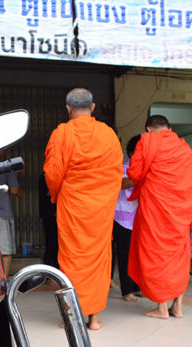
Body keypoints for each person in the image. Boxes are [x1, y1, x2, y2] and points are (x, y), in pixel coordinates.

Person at [44, 88, 123, 330]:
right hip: (99, 208)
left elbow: (52, 172)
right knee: (98, 258)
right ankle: (95, 319)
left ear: (68, 109)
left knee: (72, 259)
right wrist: (106, 199)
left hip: (73, 206)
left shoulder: (62, 133)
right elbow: (116, 173)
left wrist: (57, 194)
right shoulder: (108, 134)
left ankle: (71, 318)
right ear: (93, 107)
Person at [127, 115, 192, 319]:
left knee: (156, 253)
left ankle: (162, 308)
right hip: (180, 212)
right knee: (178, 257)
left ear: (148, 129)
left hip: (156, 210)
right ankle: (178, 306)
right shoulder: (184, 147)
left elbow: (134, 172)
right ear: (169, 128)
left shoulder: (148, 140)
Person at [113, 135, 142, 302]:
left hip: (139, 218)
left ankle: (137, 287)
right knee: (125, 255)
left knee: (138, 254)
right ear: (132, 152)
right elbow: (124, 184)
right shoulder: (123, 167)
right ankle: (126, 290)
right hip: (121, 218)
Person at [38, 173, 59, 268]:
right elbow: (48, 192)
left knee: (56, 244)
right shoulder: (46, 177)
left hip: (53, 215)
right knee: (51, 243)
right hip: (49, 215)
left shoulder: (49, 176)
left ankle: (55, 267)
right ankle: (48, 268)